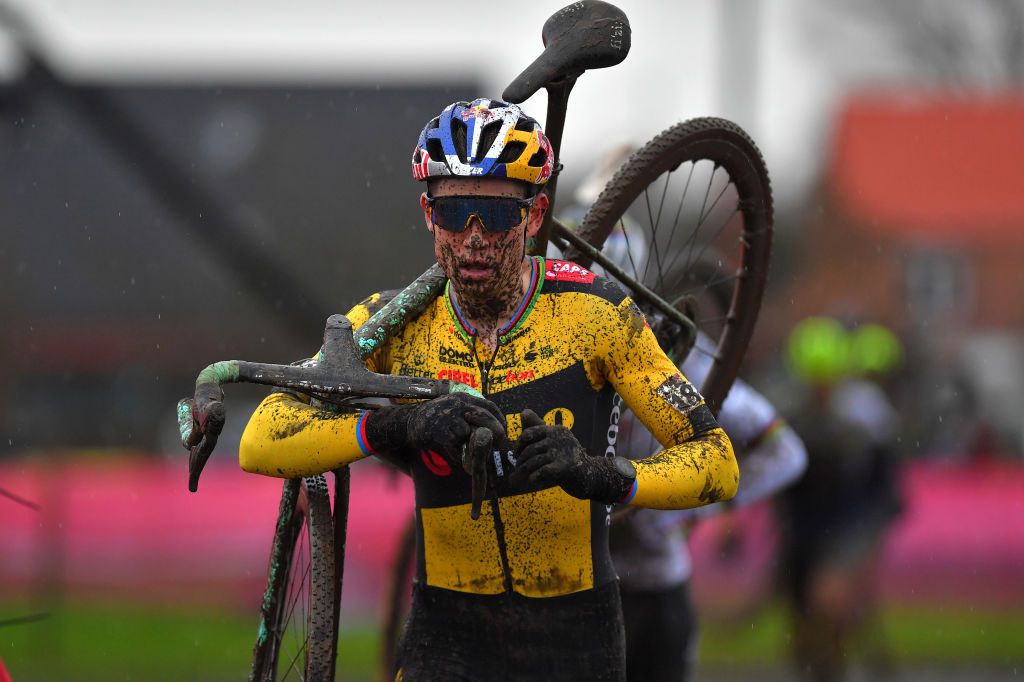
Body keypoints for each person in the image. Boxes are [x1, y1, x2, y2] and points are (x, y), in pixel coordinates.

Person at [237, 98, 739, 682]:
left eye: (496, 217)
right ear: (429, 214)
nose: (474, 240)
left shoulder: (597, 317)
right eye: (456, 213)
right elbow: (260, 439)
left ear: (534, 216)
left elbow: (717, 463)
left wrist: (600, 475)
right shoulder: (394, 324)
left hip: (574, 637)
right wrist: (390, 427)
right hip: (446, 636)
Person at [775, 317, 904, 682]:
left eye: (827, 380)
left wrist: (866, 541)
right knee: (804, 625)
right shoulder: (789, 415)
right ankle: (846, 662)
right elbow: (778, 477)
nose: (821, 389)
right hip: (802, 531)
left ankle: (850, 660)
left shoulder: (865, 418)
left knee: (828, 603)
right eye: (814, 381)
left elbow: (882, 486)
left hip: (847, 526)